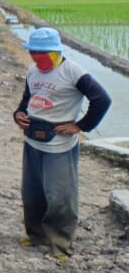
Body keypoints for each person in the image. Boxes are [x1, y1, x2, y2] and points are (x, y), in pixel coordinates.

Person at [13, 27, 111, 259]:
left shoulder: (73, 72)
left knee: (60, 197)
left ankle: (60, 244)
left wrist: (80, 126)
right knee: (32, 194)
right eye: (33, 52)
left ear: (56, 51)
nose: (37, 57)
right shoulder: (33, 72)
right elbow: (27, 100)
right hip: (33, 141)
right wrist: (18, 114)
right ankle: (37, 235)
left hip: (59, 145)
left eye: (43, 53)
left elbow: (102, 100)